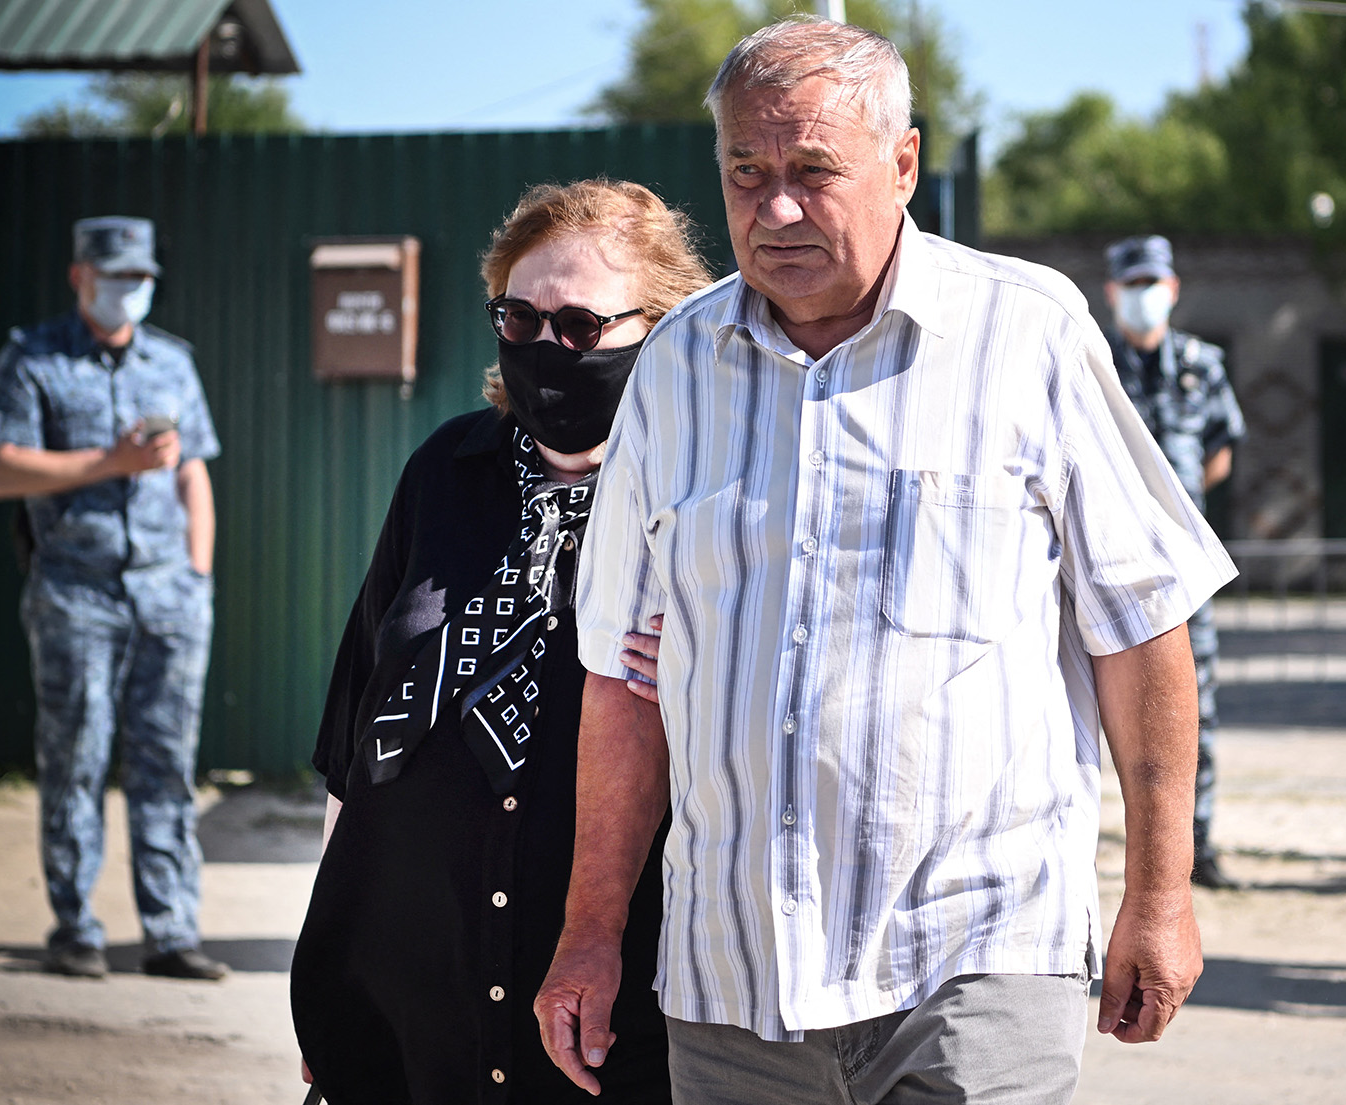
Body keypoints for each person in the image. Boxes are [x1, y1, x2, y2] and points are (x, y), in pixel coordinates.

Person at [535, 18, 1238, 1105]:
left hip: (975, 959)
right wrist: (589, 931)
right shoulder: (674, 370)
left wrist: (1161, 895)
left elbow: (1142, 626)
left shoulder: (1028, 335)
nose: (774, 210)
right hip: (734, 989)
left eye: (813, 171)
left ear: (902, 165)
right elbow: (623, 681)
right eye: (745, 173)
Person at [289, 178, 712, 1105]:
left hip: (608, 1016)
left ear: (661, 328)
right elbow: (352, 745)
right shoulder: (446, 468)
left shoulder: (703, 499)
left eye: (580, 325)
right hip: (410, 1000)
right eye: (517, 319)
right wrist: (330, 972)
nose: (545, 346)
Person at [0, 216, 225, 982]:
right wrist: (108, 461)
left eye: (140, 277)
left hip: (168, 596)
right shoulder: (33, 359)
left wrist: (198, 574)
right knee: (76, 760)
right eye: (115, 275)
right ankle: (75, 927)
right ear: (79, 275)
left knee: (167, 764)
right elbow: (1, 469)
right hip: (74, 594)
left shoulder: (173, 362)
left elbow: (193, 471)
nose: (130, 289)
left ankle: (171, 930)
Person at [1102, 234, 1247, 891]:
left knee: (1195, 703)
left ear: (1173, 287)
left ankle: (1196, 843)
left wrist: (1176, 513)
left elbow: (1219, 450)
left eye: (1152, 283)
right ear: (1111, 292)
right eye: (1130, 284)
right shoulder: (1091, 361)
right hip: (1106, 561)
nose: (1142, 296)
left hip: (1181, 570)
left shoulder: (1200, 363)